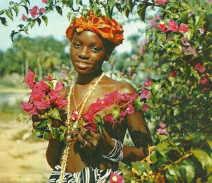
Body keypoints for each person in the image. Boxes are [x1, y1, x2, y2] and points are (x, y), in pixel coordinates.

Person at [33, 10, 152, 183]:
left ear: (108, 54)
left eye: (94, 48)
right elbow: (55, 163)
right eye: (77, 45)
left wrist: (110, 147)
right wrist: (53, 133)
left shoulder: (123, 93)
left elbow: (148, 153)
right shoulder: (60, 96)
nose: (83, 54)